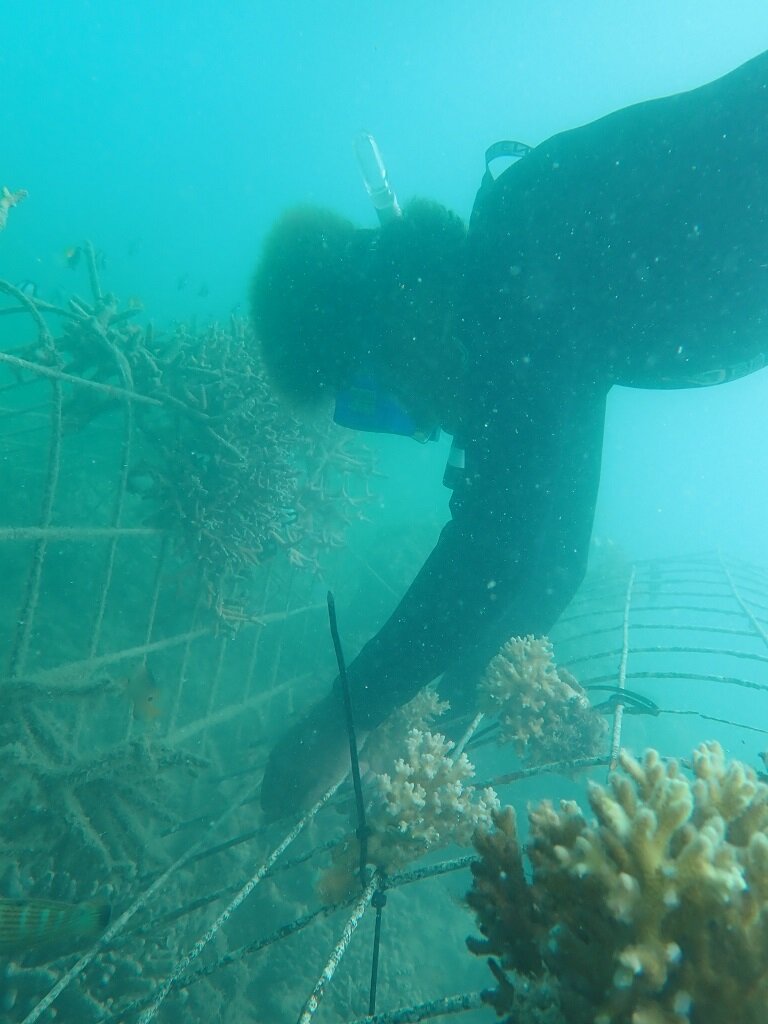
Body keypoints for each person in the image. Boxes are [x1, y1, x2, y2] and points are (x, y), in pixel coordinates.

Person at [251, 49, 768, 820]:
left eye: (373, 399)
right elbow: (543, 563)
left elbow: (506, 543)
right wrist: (435, 709)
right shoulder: (542, 289)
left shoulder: (521, 252)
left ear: (396, 310)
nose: (419, 428)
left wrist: (341, 719)